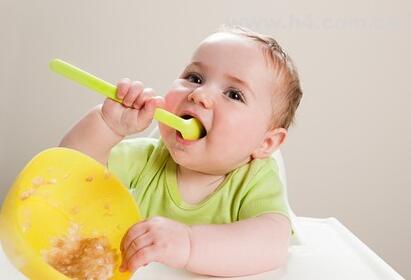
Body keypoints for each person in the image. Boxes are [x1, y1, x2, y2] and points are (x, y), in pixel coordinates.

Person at [60, 26, 302, 277]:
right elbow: (68, 175)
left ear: (266, 143)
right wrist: (107, 125)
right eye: (195, 78)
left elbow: (272, 244)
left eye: (234, 94)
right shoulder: (149, 158)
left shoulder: (255, 179)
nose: (200, 94)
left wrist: (188, 244)